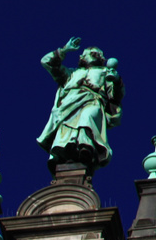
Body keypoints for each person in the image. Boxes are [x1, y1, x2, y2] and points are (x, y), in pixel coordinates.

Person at [38, 37, 123, 170]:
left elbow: (115, 96)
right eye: (92, 53)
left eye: (98, 54)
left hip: (93, 100)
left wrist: (116, 81)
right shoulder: (71, 74)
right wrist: (65, 50)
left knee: (87, 117)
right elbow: (46, 62)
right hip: (69, 105)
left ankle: (86, 147)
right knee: (65, 130)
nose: (97, 56)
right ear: (82, 57)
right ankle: (63, 152)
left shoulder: (105, 73)